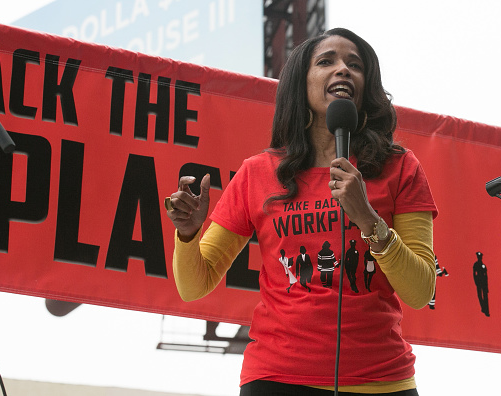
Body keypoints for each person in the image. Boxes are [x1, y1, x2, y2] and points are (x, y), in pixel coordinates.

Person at [166, 27, 438, 396]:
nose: (343, 69)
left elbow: (420, 290)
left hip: (383, 381)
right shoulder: (257, 173)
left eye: (354, 64)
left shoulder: (400, 167)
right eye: (327, 61)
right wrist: (187, 233)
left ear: (366, 86)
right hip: (278, 379)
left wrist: (367, 218)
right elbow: (194, 286)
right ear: (300, 83)